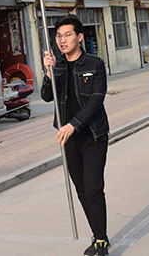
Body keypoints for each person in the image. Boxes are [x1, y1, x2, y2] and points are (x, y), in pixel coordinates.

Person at [41, 15, 110, 256]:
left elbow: (96, 99)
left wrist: (73, 124)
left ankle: (101, 241)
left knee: (92, 188)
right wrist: (48, 74)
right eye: (59, 36)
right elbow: (46, 96)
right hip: (67, 139)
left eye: (68, 35)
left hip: (93, 135)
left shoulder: (95, 63)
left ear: (79, 37)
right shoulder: (56, 65)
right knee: (81, 190)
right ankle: (97, 235)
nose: (62, 40)